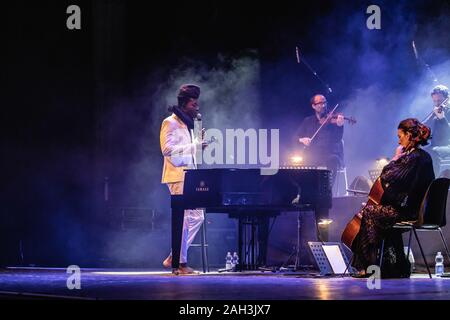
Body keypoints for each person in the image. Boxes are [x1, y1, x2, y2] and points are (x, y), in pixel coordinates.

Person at [351, 118, 435, 278]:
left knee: (370, 213)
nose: (398, 140)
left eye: (400, 136)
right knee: (379, 216)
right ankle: (395, 266)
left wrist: (395, 158)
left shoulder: (414, 157)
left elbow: (388, 176)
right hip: (412, 209)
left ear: (409, 135)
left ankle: (370, 268)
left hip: (410, 212)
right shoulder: (420, 156)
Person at [160, 84, 206, 274]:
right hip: (177, 175)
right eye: (194, 104)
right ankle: (180, 263)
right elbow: (166, 150)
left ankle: (175, 257)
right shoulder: (169, 122)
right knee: (186, 218)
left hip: (190, 175)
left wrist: (198, 145)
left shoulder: (187, 125)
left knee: (196, 217)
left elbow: (190, 152)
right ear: (185, 104)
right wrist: (193, 147)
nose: (197, 108)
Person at [297, 94, 345, 187]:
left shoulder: (332, 120)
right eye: (320, 103)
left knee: (333, 160)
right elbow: (295, 137)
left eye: (325, 103)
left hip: (329, 153)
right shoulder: (308, 121)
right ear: (313, 106)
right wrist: (302, 140)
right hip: (313, 154)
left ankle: (328, 190)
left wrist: (340, 126)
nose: (323, 105)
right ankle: (308, 191)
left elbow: (337, 139)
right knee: (304, 160)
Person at [424, 85, 450, 176]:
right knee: (418, 152)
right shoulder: (436, 111)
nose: (437, 104)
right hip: (435, 145)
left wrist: (442, 118)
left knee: (433, 151)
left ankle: (434, 182)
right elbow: (424, 126)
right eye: (434, 101)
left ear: (447, 99)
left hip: (447, 146)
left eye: (439, 101)